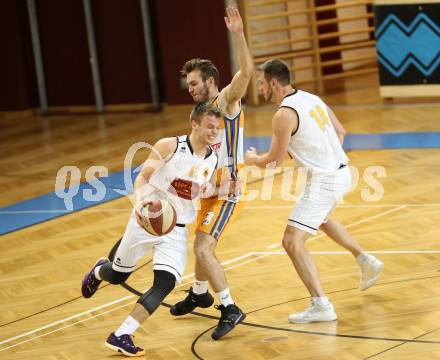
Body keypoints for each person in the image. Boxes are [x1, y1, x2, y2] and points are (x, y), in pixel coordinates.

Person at [245, 59, 384, 324]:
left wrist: (253, 160)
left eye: (261, 82)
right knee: (322, 219)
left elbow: (274, 162)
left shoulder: (284, 114)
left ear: (274, 82)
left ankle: (321, 305)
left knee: (291, 241)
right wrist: (321, 157)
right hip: (342, 173)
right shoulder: (312, 98)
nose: (260, 87)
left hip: (325, 181)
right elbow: (340, 132)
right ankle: (365, 260)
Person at [81, 103, 220, 357]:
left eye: (217, 128)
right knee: (118, 275)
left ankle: (122, 334)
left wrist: (218, 189)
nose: (214, 132)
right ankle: (100, 270)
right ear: (195, 124)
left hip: (176, 230)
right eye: (210, 126)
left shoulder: (213, 157)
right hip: (147, 221)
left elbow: (204, 188)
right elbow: (143, 177)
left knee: (165, 283)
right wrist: (142, 199)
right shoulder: (169, 146)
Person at [169, 5, 253, 340]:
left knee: (204, 247)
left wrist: (239, 35)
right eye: (187, 83)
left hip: (228, 187)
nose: (189, 87)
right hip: (209, 186)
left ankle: (230, 307)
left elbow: (246, 73)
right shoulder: (201, 112)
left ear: (211, 82)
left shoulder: (227, 102)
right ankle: (200, 292)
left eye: (194, 82)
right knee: (198, 244)